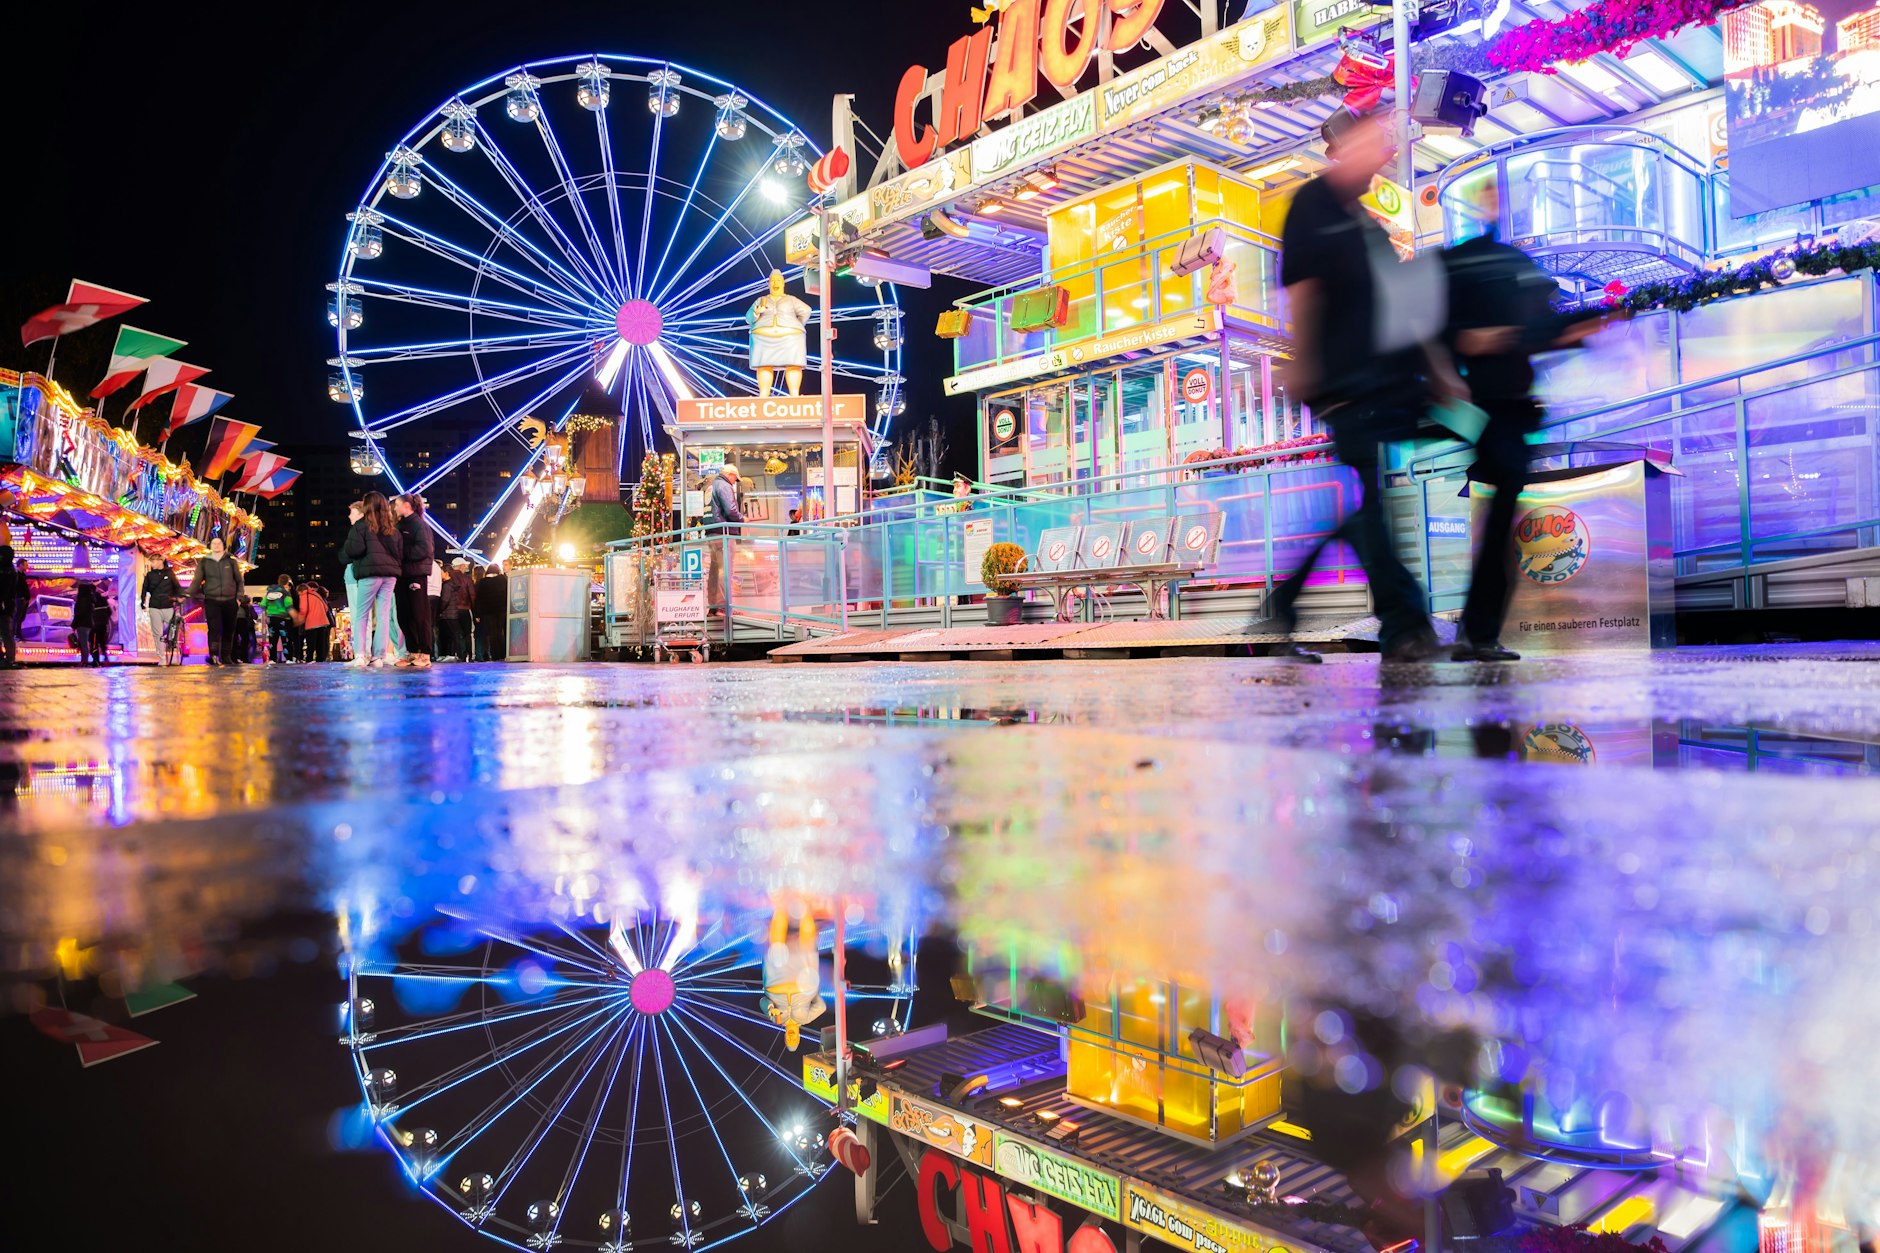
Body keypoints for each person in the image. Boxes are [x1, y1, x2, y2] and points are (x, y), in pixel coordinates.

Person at [1269, 106, 1444, 663]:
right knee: (1371, 507)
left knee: (1368, 509)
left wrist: (1436, 374)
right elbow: (1305, 290)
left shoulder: (1366, 224)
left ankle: (1287, 601)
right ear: (1344, 149)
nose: (1384, 156)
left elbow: (1401, 305)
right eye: (1375, 144)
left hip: (1380, 382)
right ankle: (1406, 624)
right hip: (1341, 380)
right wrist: (1304, 362)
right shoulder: (1313, 205)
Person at [1442, 184, 1624, 662]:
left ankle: (1476, 632)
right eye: (1490, 197)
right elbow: (1457, 332)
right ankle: (1477, 633)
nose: (1496, 203)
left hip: (1505, 410)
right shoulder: (1472, 263)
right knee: (1501, 518)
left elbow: (1532, 329)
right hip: (1491, 410)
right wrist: (1477, 341)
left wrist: (1580, 328)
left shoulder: (1503, 263)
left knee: (1502, 519)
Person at [343, 492, 404, 667]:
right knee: (384, 616)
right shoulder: (392, 528)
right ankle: (378, 657)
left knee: (362, 615)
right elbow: (400, 552)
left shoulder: (361, 526)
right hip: (389, 575)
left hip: (369, 573)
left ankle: (360, 655)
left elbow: (354, 550)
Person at [391, 494, 435, 668]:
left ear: (407, 506)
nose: (394, 508)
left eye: (397, 505)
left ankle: (425, 653)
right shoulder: (399, 525)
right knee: (403, 615)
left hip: (416, 574)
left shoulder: (420, 525)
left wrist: (401, 552)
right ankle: (413, 651)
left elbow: (424, 549)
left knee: (419, 613)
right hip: (401, 574)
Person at [192, 537, 244, 666]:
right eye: (213, 543)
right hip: (212, 600)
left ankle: (226, 656)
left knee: (229, 629)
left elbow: (239, 581)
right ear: (210, 546)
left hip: (230, 600)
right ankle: (214, 655)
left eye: (219, 543)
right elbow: (197, 581)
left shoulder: (231, 561)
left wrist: (238, 598)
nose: (216, 545)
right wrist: (186, 594)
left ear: (223, 545)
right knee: (213, 628)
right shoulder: (204, 562)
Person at [706, 465, 743, 614]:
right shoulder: (724, 485)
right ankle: (723, 606)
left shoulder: (711, 486)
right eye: (735, 479)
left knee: (714, 572)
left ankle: (713, 607)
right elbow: (731, 510)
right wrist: (742, 519)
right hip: (724, 534)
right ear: (730, 474)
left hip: (712, 534)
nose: (734, 482)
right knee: (725, 571)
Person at [140, 560, 183, 666]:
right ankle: (162, 658)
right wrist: (143, 601)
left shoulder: (170, 573)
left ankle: (174, 649)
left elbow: (177, 587)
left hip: (168, 605)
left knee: (174, 628)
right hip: (154, 606)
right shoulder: (150, 575)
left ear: (160, 561)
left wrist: (179, 598)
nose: (152, 563)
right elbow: (144, 588)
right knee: (157, 634)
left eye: (154, 561)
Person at [475, 560, 508, 662]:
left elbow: (478, 599)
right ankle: (503, 653)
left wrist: (477, 613)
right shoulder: (503, 580)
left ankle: (495, 655)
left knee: (492, 632)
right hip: (502, 609)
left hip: (488, 611)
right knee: (501, 631)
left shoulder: (482, 582)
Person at [262, 573, 297, 664]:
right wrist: (296, 617)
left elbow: (263, 604)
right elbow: (289, 606)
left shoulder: (270, 592)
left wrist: (266, 615)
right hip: (283, 619)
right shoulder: (285, 593)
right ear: (288, 582)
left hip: (271, 618)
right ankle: (288, 659)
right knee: (286, 639)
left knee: (273, 639)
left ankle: (272, 659)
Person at [298, 577, 333, 662]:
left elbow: (304, 610)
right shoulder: (316, 594)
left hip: (312, 623)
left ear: (301, 591)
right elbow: (325, 608)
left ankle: (309, 660)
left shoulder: (304, 595)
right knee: (320, 644)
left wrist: (299, 620)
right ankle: (320, 661)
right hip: (323, 622)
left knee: (311, 644)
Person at [72, 582, 103, 665]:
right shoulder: (90, 600)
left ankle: (84, 661)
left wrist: (73, 625)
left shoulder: (81, 601)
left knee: (83, 644)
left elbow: (79, 614)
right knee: (87, 643)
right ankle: (86, 660)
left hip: (82, 624)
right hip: (89, 624)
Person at [0, 523, 16, 668]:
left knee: (5, 632)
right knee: (6, 632)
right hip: (7, 605)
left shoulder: (6, 571)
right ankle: (8, 658)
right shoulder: (11, 570)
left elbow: (4, 590)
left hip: (4, 605)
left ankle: (9, 659)